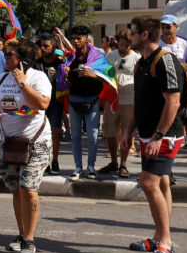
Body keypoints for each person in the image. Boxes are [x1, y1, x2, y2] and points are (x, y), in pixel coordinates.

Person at [122, 16, 184, 253]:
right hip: (149, 133)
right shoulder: (141, 63)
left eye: (133, 32)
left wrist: (159, 135)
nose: (130, 37)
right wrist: (129, 131)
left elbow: (173, 102)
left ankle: (166, 243)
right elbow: (140, 101)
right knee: (162, 185)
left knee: (148, 184)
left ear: (145, 35)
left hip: (165, 135)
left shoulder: (165, 60)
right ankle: (159, 236)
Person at [0, 38, 52, 253]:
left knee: (28, 188)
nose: (4, 58)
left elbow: (43, 104)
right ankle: (22, 233)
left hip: (36, 142)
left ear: (21, 58)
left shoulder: (37, 77)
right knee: (16, 189)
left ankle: (29, 239)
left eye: (9, 55)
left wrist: (23, 83)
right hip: (10, 142)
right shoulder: (1, 78)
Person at [61, 25, 104, 179]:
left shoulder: (97, 57)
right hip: (74, 100)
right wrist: (65, 76)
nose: (75, 41)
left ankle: (91, 166)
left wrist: (91, 74)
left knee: (92, 136)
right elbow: (70, 85)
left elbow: (107, 77)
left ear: (87, 39)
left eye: (79, 38)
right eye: (73, 38)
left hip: (92, 100)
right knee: (76, 136)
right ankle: (78, 167)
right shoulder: (71, 59)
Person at [100, 30, 140, 178]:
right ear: (117, 42)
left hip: (129, 100)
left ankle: (123, 163)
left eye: (127, 43)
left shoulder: (137, 58)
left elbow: (139, 77)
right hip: (112, 99)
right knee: (109, 132)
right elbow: (104, 74)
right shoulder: (110, 56)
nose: (124, 46)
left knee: (126, 133)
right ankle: (113, 162)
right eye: (121, 43)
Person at [159, 14, 187, 148]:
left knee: (179, 114)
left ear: (176, 27)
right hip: (161, 86)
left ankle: (180, 138)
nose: (165, 30)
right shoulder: (157, 44)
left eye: (168, 27)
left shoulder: (185, 44)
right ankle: (163, 138)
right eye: (163, 27)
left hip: (181, 86)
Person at [37, 34, 65, 174]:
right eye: (41, 45)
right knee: (41, 133)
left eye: (46, 46)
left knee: (54, 132)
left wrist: (59, 77)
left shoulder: (60, 64)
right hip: (40, 103)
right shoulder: (37, 63)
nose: (43, 48)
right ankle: (44, 161)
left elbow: (66, 83)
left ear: (53, 47)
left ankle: (54, 161)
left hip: (55, 102)